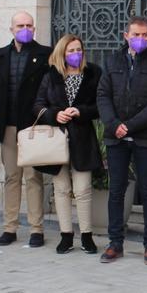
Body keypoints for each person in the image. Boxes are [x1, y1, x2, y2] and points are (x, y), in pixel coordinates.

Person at [96, 16, 147, 265]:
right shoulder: (111, 61)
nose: (141, 39)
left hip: (145, 138)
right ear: (125, 35)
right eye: (136, 35)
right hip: (116, 137)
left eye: (145, 35)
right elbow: (103, 96)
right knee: (116, 190)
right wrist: (114, 124)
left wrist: (130, 125)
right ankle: (115, 242)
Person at [0, 11, 52, 248]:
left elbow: (51, 88)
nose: (25, 29)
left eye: (29, 25)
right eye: (20, 25)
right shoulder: (0, 56)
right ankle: (9, 227)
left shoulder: (45, 54)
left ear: (34, 28)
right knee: (12, 177)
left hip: (34, 127)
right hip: (8, 127)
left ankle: (36, 229)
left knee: (34, 177)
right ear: (11, 29)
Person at [33, 34, 103, 255]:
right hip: (57, 139)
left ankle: (87, 235)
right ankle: (65, 236)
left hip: (83, 138)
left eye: (78, 50)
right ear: (62, 53)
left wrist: (81, 111)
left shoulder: (93, 73)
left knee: (82, 190)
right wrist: (55, 115)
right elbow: (37, 105)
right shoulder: (51, 76)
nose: (76, 54)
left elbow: (101, 105)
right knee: (61, 189)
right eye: (71, 51)